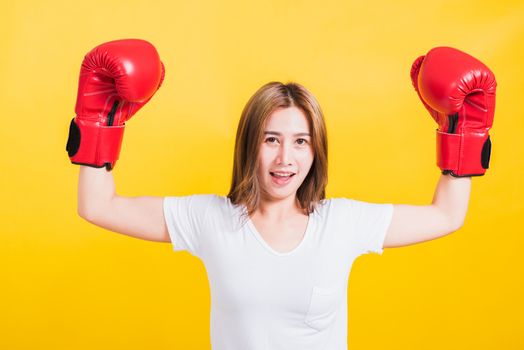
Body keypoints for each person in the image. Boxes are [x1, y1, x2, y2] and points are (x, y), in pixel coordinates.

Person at [67, 39, 496, 349]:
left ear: (316, 150)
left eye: (301, 142)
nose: (285, 158)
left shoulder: (341, 223)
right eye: (271, 139)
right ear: (250, 143)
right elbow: (97, 206)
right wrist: (98, 123)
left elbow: (446, 215)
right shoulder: (212, 220)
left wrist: (463, 134)